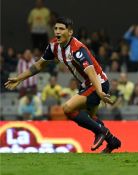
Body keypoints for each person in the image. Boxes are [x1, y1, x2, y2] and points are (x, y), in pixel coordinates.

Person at [5, 17, 121, 153]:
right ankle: (112, 141)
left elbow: (92, 73)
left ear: (70, 32)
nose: (57, 32)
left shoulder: (77, 49)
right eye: (56, 29)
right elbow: (39, 65)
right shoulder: (54, 46)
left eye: (61, 29)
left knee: (67, 109)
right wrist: (19, 78)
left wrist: (100, 92)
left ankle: (102, 132)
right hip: (86, 85)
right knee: (91, 118)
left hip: (97, 84)